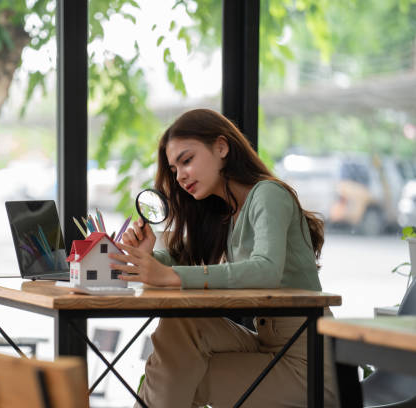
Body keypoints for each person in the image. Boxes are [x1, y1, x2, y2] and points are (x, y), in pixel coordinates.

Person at [108, 108, 338, 408]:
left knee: (176, 377)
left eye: (187, 160)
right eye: (174, 169)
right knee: (179, 330)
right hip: (267, 345)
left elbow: (266, 270)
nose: (180, 177)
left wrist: (170, 276)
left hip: (309, 366)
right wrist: (149, 256)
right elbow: (181, 260)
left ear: (221, 147)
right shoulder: (227, 214)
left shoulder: (268, 195)